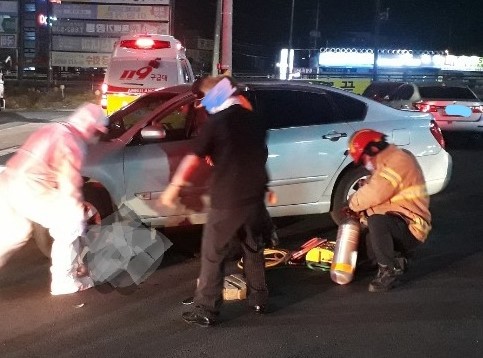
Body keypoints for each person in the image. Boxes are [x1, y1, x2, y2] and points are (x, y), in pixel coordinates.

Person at [161, 75, 271, 326]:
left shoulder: (216, 122)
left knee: (214, 253)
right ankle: (259, 299)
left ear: (212, 98)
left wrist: (174, 187)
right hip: (254, 195)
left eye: (202, 100)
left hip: (228, 198)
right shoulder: (254, 119)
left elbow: (192, 158)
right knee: (253, 247)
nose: (201, 106)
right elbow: (256, 153)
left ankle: (206, 309)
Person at [0, 102, 108, 295]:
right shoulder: (72, 142)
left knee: (13, 234)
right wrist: (79, 215)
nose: (97, 136)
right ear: (90, 126)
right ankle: (64, 281)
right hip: (29, 188)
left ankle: (72, 269)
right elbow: (69, 186)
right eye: (97, 131)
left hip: (8, 181)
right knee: (70, 224)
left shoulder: (53, 128)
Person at [347, 129, 431, 292]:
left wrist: (352, 203)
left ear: (373, 148)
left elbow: (375, 193)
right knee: (363, 257)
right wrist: (361, 213)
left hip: (411, 227)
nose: (364, 164)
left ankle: (388, 272)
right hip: (397, 221)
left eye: (363, 159)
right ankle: (398, 260)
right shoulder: (383, 165)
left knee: (377, 221)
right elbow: (381, 200)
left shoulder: (398, 161)